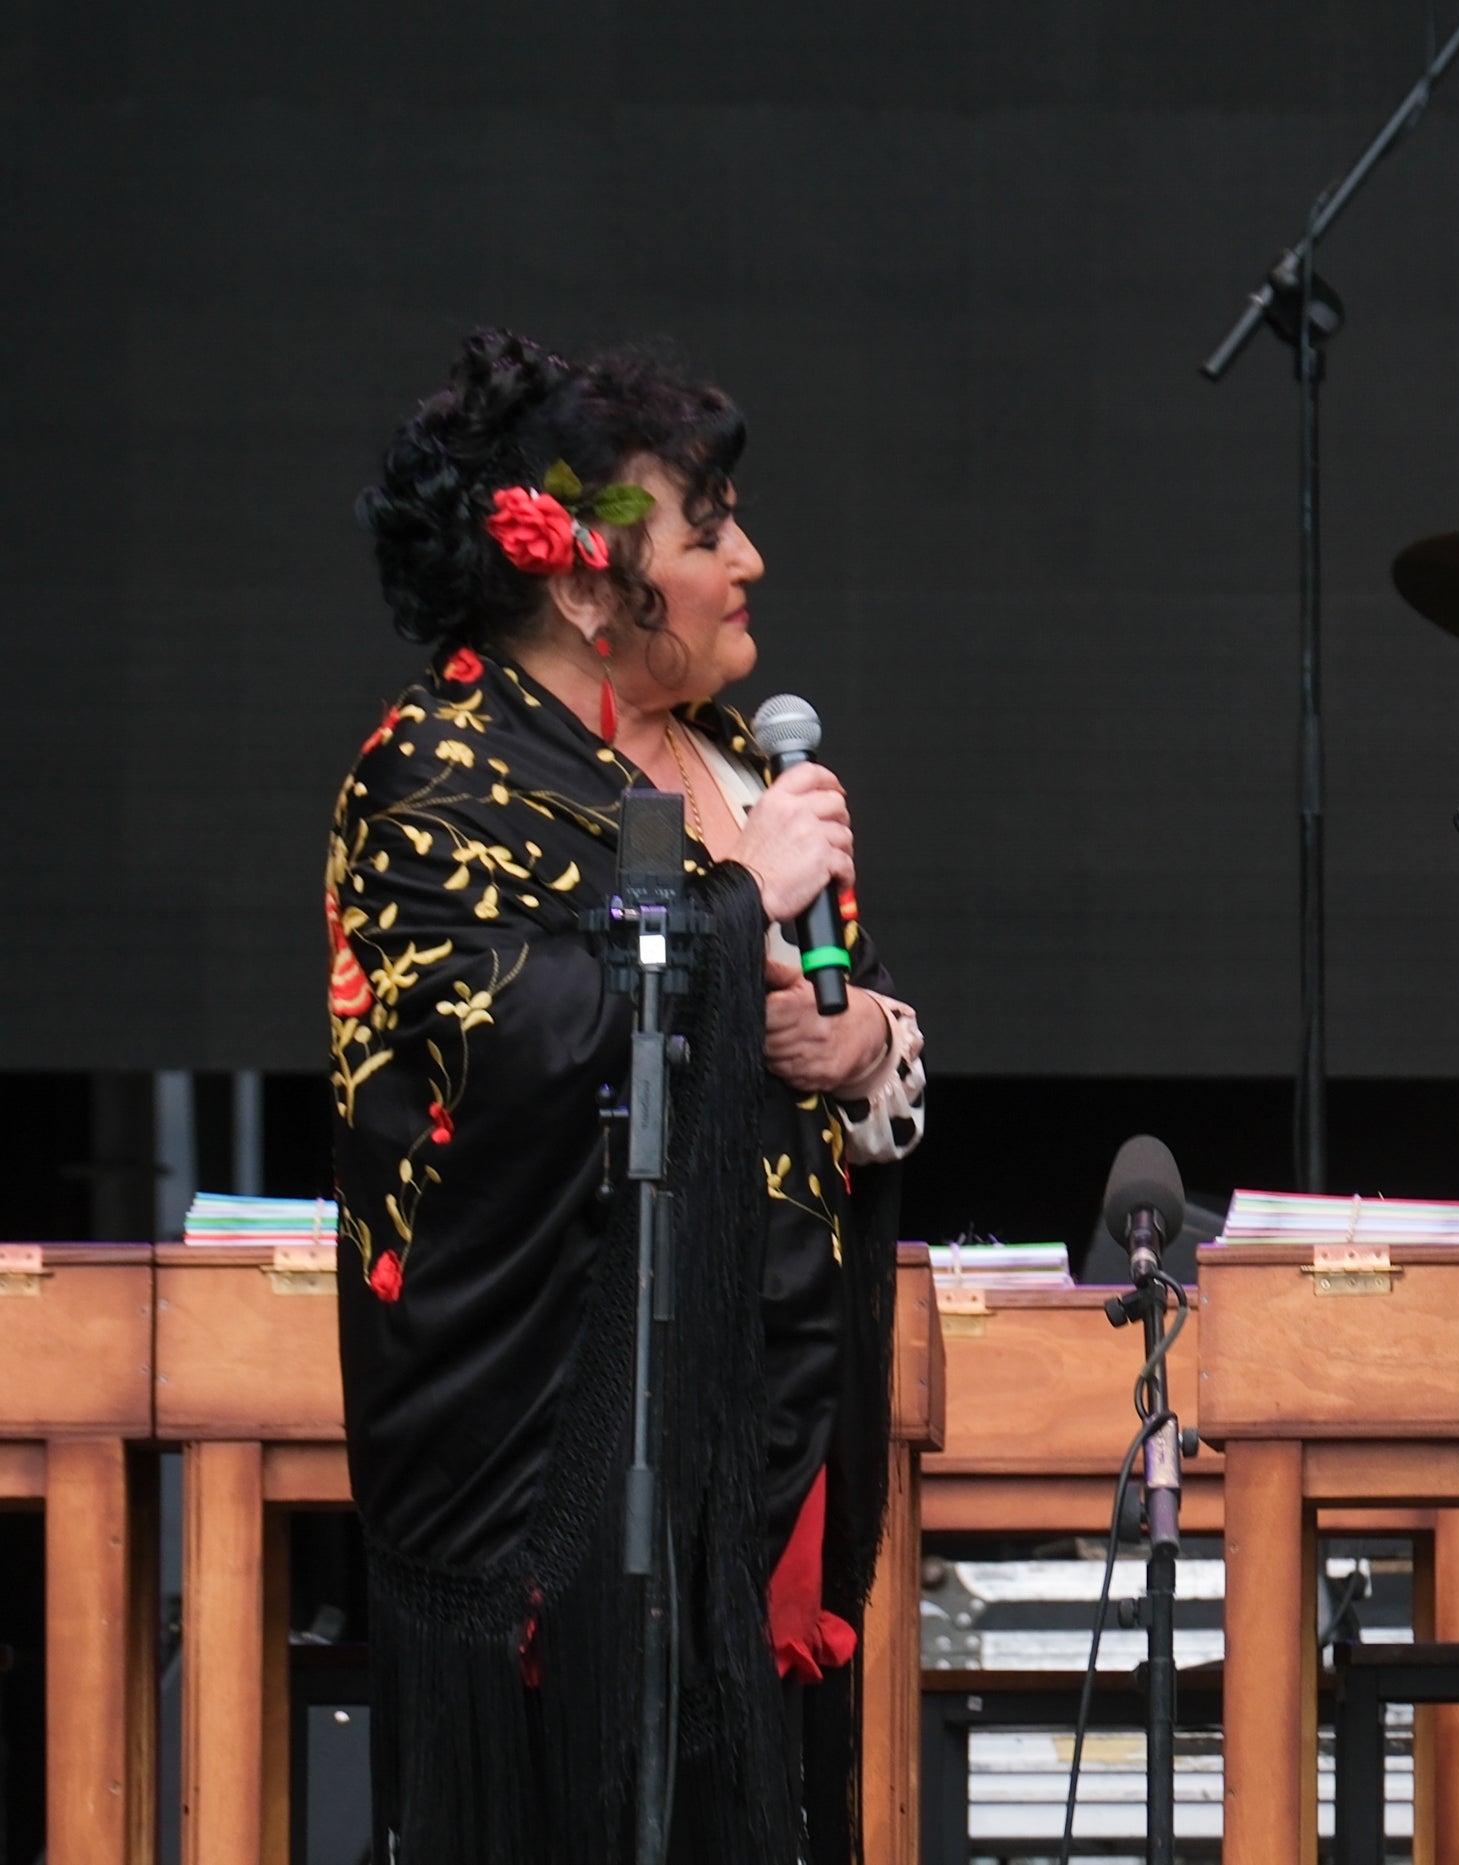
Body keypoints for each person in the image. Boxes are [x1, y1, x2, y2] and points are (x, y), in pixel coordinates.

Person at [329, 329, 929, 1864]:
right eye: (710, 527)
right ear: (589, 586)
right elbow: (516, 1040)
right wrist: (733, 897)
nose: (752, 559)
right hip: (565, 1483)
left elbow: (806, 1028)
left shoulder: (726, 753)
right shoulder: (432, 774)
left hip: (757, 1431)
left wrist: (862, 1055)